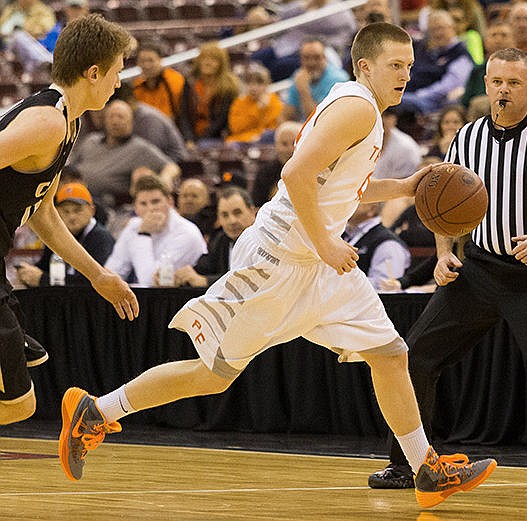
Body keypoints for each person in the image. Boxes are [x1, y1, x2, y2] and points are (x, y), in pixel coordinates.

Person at [58, 23, 496, 508]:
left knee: (390, 354)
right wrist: (327, 245)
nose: (406, 75)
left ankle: (425, 469)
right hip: (281, 260)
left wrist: (405, 185)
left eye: (410, 66)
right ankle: (97, 411)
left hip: (317, 261)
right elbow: (295, 174)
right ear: (365, 66)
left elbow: (338, 185)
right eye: (397, 65)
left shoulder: (357, 109)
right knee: (214, 375)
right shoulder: (356, 108)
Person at [368, 47, 527, 491]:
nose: (503, 90)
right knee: (414, 359)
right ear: (485, 84)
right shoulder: (465, 137)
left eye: (513, 83)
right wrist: (445, 251)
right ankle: (407, 463)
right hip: (479, 270)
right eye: (496, 82)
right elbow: (440, 202)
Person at [0, 14, 138, 426]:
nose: (118, 82)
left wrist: (97, 275)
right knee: (18, 403)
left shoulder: (67, 120)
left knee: (19, 397)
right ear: (94, 72)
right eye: (116, 71)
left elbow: (42, 211)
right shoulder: (47, 122)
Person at [68, 99, 181, 206]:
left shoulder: (139, 148)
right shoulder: (91, 140)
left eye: (121, 117)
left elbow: (172, 167)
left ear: (131, 122)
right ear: (105, 120)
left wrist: (165, 180)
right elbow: (70, 165)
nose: (115, 121)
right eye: (111, 116)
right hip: (73, 195)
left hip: (107, 203)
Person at [104, 175, 207, 287]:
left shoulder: (187, 233)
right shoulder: (133, 226)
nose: (150, 209)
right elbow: (111, 273)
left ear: (170, 202)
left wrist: (144, 234)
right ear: (136, 209)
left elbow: (151, 282)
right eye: (143, 204)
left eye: (156, 202)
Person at [15, 182, 115, 287]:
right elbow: (45, 266)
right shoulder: (57, 235)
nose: (72, 216)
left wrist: (43, 279)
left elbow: (90, 283)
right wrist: (27, 272)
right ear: (56, 212)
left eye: (77, 211)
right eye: (66, 211)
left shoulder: (101, 238)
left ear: (92, 210)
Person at [174, 186, 256, 287]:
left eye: (237, 213)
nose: (232, 221)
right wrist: (182, 275)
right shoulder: (220, 239)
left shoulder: (264, 240)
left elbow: (251, 279)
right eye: (225, 215)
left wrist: (206, 281)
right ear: (219, 219)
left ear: (252, 212)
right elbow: (205, 266)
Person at [344, 202, 411, 289]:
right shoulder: (341, 234)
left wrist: (338, 282)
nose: (345, 204)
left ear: (372, 209)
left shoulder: (388, 244)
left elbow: (383, 286)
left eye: (355, 201)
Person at [281, 38, 350, 122]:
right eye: (306, 58)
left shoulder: (338, 79)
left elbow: (319, 119)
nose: (311, 63)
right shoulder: (299, 76)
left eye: (316, 57)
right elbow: (285, 116)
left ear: (325, 57)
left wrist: (304, 91)